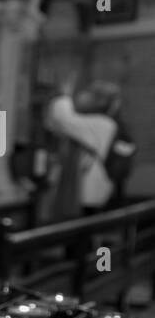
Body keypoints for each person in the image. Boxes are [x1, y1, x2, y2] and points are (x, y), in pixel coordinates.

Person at [42, 78, 135, 215]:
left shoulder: (102, 124)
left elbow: (63, 120)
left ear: (98, 100)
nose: (81, 96)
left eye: (87, 93)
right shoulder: (98, 122)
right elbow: (54, 125)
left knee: (81, 230)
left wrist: (64, 95)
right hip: (85, 193)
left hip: (88, 195)